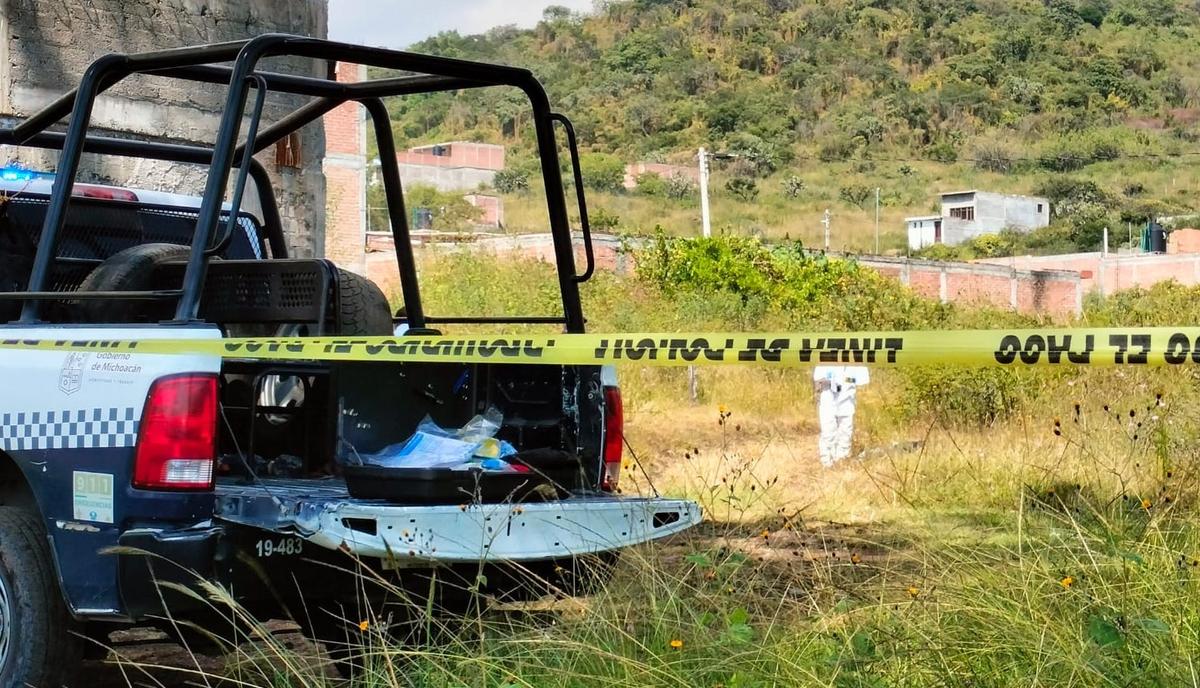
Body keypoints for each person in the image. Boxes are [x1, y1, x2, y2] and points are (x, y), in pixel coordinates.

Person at [813, 365, 870, 467]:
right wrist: (830, 382)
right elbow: (818, 380)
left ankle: (842, 462)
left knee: (845, 432)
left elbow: (861, 381)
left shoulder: (855, 360)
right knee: (828, 432)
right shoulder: (826, 357)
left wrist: (844, 380)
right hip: (828, 399)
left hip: (847, 400)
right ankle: (827, 463)